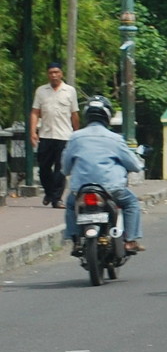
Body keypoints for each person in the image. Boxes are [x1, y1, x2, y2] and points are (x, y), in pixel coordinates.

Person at [62, 95, 144, 255]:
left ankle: (75, 240)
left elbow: (65, 167)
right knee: (132, 204)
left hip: (81, 190)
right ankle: (130, 241)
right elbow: (134, 165)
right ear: (107, 116)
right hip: (111, 189)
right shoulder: (115, 139)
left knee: (71, 205)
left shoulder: (75, 138)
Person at [29, 62, 79, 208]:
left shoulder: (70, 91)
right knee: (44, 168)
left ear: (61, 74)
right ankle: (49, 193)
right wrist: (32, 132)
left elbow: (74, 114)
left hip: (64, 135)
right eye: (51, 72)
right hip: (46, 135)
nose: (54, 75)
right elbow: (35, 112)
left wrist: (76, 134)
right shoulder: (41, 91)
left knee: (60, 169)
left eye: (56, 72)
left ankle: (57, 199)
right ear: (48, 75)